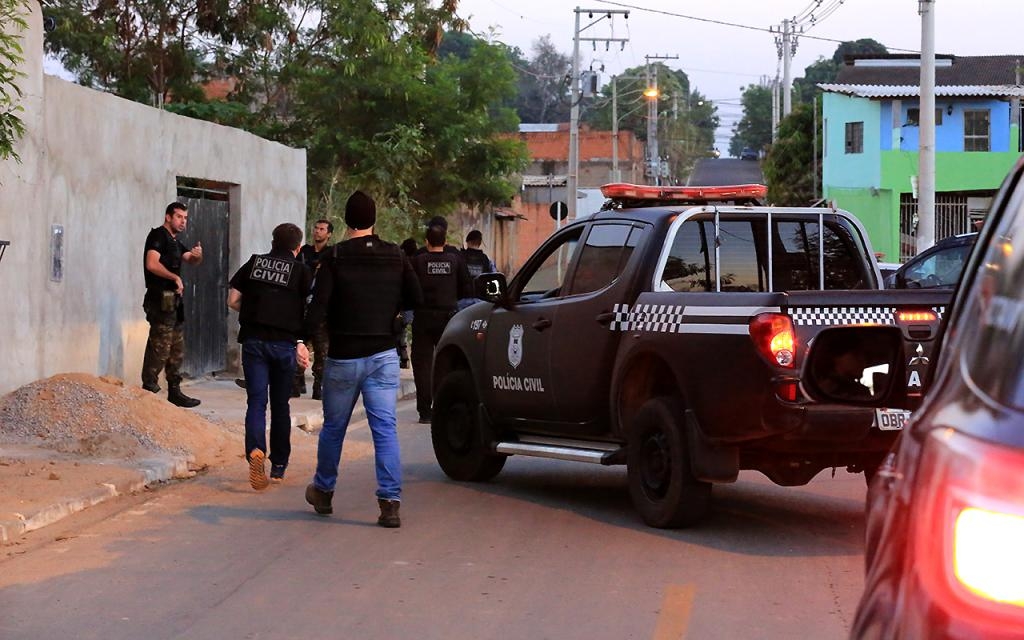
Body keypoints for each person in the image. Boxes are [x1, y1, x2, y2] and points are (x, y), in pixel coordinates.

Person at [304, 191, 422, 527]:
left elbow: (318, 306)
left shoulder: (335, 256)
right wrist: (397, 320)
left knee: (334, 428)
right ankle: (390, 502)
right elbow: (416, 297)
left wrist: (302, 340)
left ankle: (324, 491)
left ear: (346, 219)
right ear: (374, 219)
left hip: (343, 356)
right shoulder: (396, 255)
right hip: (383, 355)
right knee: (384, 430)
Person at [227, 223, 313, 489]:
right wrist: (302, 341)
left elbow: (232, 300)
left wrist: (254, 311)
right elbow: (310, 308)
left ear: (273, 241)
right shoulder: (301, 271)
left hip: (253, 342)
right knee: (280, 405)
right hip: (284, 344)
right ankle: (278, 466)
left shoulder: (255, 262)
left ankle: (255, 450)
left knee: (256, 402)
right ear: (298, 248)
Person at [141, 202, 203, 408]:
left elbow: (191, 259)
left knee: (177, 348)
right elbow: (152, 263)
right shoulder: (158, 236)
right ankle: (148, 389)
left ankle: (174, 391)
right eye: (179, 217)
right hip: (159, 299)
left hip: (173, 302)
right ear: (168, 217)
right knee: (160, 346)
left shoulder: (175, 241)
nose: (183, 221)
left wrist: (198, 255)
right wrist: (174, 277)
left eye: (185, 218)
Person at [411, 223, 472, 424]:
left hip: (423, 318)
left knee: (422, 365)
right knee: (445, 362)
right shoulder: (455, 260)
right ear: (445, 242)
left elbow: (409, 287)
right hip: (448, 318)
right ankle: (443, 407)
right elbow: (466, 288)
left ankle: (424, 411)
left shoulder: (418, 261)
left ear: (426, 242)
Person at [294, 218, 334, 400]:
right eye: (316, 228)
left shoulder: (331, 254)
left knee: (322, 350)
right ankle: (296, 383)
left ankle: (319, 387)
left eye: (322, 229)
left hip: (321, 309)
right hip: (301, 305)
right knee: (298, 345)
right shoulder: (304, 252)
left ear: (329, 234)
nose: (317, 231)